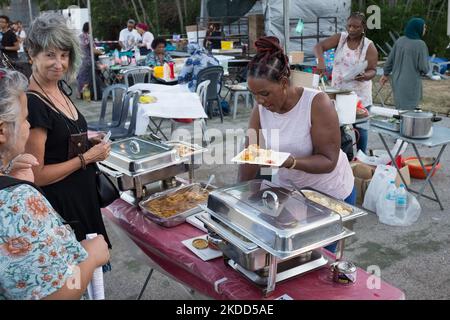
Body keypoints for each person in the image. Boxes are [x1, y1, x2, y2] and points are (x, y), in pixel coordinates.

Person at [0, 68, 110, 300]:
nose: (29, 127)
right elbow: (57, 295)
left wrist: (7, 169)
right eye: (25, 120)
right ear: (2, 130)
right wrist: (92, 257)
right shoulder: (16, 202)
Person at [24, 13, 113, 248]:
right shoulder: (33, 104)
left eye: (64, 55)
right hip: (62, 210)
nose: (59, 63)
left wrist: (88, 142)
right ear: (32, 54)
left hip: (82, 199)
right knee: (76, 279)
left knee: (93, 275)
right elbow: (36, 176)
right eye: (50, 55)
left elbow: (60, 143)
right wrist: (86, 158)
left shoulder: (58, 89)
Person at [238, 36, 355, 206]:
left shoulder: (316, 103)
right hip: (289, 191)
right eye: (253, 94)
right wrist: (239, 192)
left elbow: (329, 161)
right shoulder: (260, 111)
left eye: (264, 93)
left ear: (284, 83)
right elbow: (251, 156)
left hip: (329, 193)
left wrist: (291, 162)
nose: (259, 101)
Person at [314, 12, 378, 154]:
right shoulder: (340, 38)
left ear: (363, 28)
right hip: (339, 92)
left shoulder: (369, 46)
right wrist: (321, 62)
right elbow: (318, 47)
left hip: (359, 95)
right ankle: (341, 157)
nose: (351, 29)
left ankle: (361, 157)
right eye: (349, 26)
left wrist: (365, 75)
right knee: (338, 126)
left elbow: (373, 70)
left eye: (356, 27)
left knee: (361, 128)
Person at [380, 17, 430, 110]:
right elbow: (424, 68)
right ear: (417, 28)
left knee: (399, 110)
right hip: (411, 84)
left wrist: (385, 74)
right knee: (409, 114)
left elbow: (389, 60)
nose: (425, 29)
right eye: (424, 27)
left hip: (397, 82)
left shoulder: (400, 40)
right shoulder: (420, 45)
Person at [76, 22, 105, 100]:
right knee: (88, 79)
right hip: (88, 61)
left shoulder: (79, 36)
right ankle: (86, 96)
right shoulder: (88, 37)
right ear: (88, 28)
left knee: (81, 77)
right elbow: (93, 50)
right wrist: (102, 52)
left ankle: (79, 94)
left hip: (81, 60)